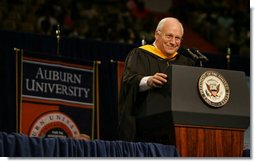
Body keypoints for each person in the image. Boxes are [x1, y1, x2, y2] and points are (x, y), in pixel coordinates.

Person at [117, 17, 196, 142]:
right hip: (144, 131)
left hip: (177, 131)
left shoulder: (186, 63)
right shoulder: (140, 54)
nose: (173, 42)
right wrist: (148, 81)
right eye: (169, 36)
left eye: (178, 38)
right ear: (157, 34)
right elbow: (128, 81)